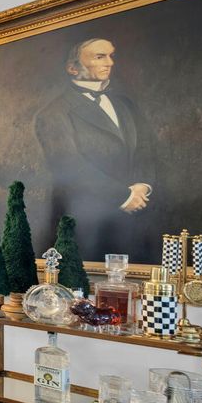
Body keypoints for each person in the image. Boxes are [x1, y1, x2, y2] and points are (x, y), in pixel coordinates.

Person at [33, 38, 157, 261]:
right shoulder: (53, 113)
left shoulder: (125, 105)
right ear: (73, 68)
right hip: (84, 226)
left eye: (111, 56)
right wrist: (124, 196)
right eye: (100, 57)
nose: (109, 62)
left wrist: (143, 186)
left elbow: (147, 150)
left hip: (135, 222)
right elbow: (69, 167)